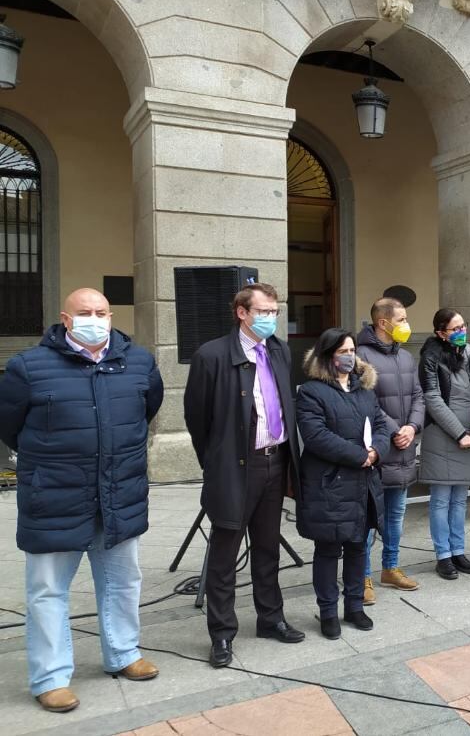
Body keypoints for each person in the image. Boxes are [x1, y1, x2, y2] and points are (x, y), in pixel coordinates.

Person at [0, 288, 164, 712]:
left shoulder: (138, 361)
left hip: (119, 493)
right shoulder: (27, 367)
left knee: (123, 581)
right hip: (55, 497)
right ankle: (51, 677)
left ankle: (124, 654)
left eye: (101, 312)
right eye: (85, 312)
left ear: (111, 316)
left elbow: (148, 409)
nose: (94, 318)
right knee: (48, 591)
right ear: (65, 319)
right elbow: (9, 426)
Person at [184, 282, 304, 669]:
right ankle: (221, 633)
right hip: (236, 467)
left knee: (267, 547)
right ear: (242, 312)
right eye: (264, 311)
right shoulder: (212, 355)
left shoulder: (279, 350)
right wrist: (216, 462)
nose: (271, 318)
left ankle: (271, 618)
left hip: (275, 461)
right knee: (225, 553)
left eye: (275, 311)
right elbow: (197, 419)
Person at [295, 329, 392, 638]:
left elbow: (380, 424)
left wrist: (376, 452)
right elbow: (316, 436)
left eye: (352, 350)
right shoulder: (311, 392)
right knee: (327, 550)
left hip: (363, 482)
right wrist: (358, 456)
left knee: (357, 547)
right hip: (330, 484)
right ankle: (327, 611)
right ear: (327, 357)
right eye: (342, 352)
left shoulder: (364, 390)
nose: (350, 356)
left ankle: (354, 606)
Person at [356, 298, 425, 603]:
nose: (406, 325)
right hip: (379, 449)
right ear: (383, 323)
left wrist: (412, 427)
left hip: (405, 448)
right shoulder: (361, 355)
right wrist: (396, 429)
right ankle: (362, 577)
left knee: (396, 515)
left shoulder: (406, 356)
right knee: (369, 518)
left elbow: (419, 395)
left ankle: (391, 567)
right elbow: (364, 401)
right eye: (402, 319)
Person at [418, 308, 470, 579]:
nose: (462, 332)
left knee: (460, 499)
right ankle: (443, 556)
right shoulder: (431, 357)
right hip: (442, 436)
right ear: (440, 333)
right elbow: (433, 399)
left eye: (463, 326)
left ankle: (458, 550)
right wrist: (459, 433)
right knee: (441, 500)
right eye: (455, 329)